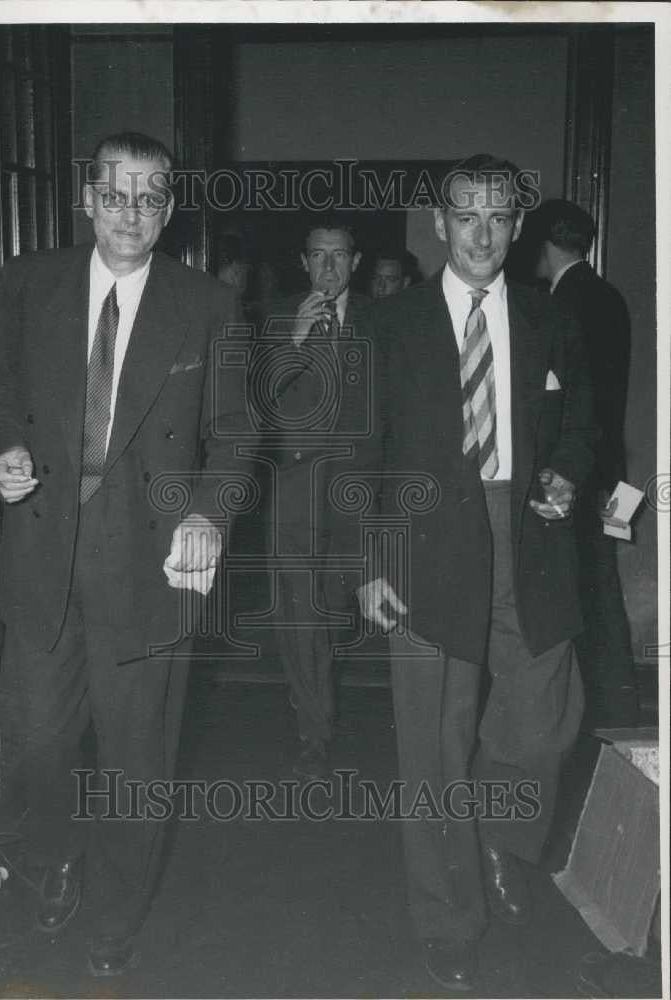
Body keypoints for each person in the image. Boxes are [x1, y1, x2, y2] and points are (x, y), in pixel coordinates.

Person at [0, 131, 246, 977]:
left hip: (151, 559)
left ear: (170, 209)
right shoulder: (30, 283)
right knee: (39, 743)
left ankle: (117, 915)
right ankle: (52, 855)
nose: (132, 212)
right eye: (116, 193)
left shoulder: (206, 304)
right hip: (46, 551)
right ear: (86, 199)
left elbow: (238, 429)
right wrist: (4, 450)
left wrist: (206, 513)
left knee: (138, 761)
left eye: (151, 196)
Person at [358, 155, 597, 991]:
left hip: (526, 537)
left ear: (518, 226)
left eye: (499, 217)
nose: (484, 233)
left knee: (547, 718)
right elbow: (364, 454)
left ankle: (500, 836)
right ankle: (448, 916)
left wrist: (566, 470)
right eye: (467, 216)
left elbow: (582, 425)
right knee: (431, 746)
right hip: (422, 547)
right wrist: (373, 560)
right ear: (439, 223)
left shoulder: (549, 319)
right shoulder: (389, 325)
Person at [256, 219, 375, 779]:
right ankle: (314, 730)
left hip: (359, 487)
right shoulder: (275, 318)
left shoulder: (384, 319)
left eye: (339, 256)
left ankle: (325, 700)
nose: (329, 267)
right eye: (318, 256)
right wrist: (294, 341)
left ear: (356, 261)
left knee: (335, 606)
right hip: (296, 486)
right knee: (300, 613)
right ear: (303, 262)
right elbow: (250, 402)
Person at [535, 198, 639, 726]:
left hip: (581, 472)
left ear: (543, 244)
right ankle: (617, 703)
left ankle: (592, 711)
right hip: (614, 471)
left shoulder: (563, 302)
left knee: (580, 587)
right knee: (602, 583)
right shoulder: (609, 296)